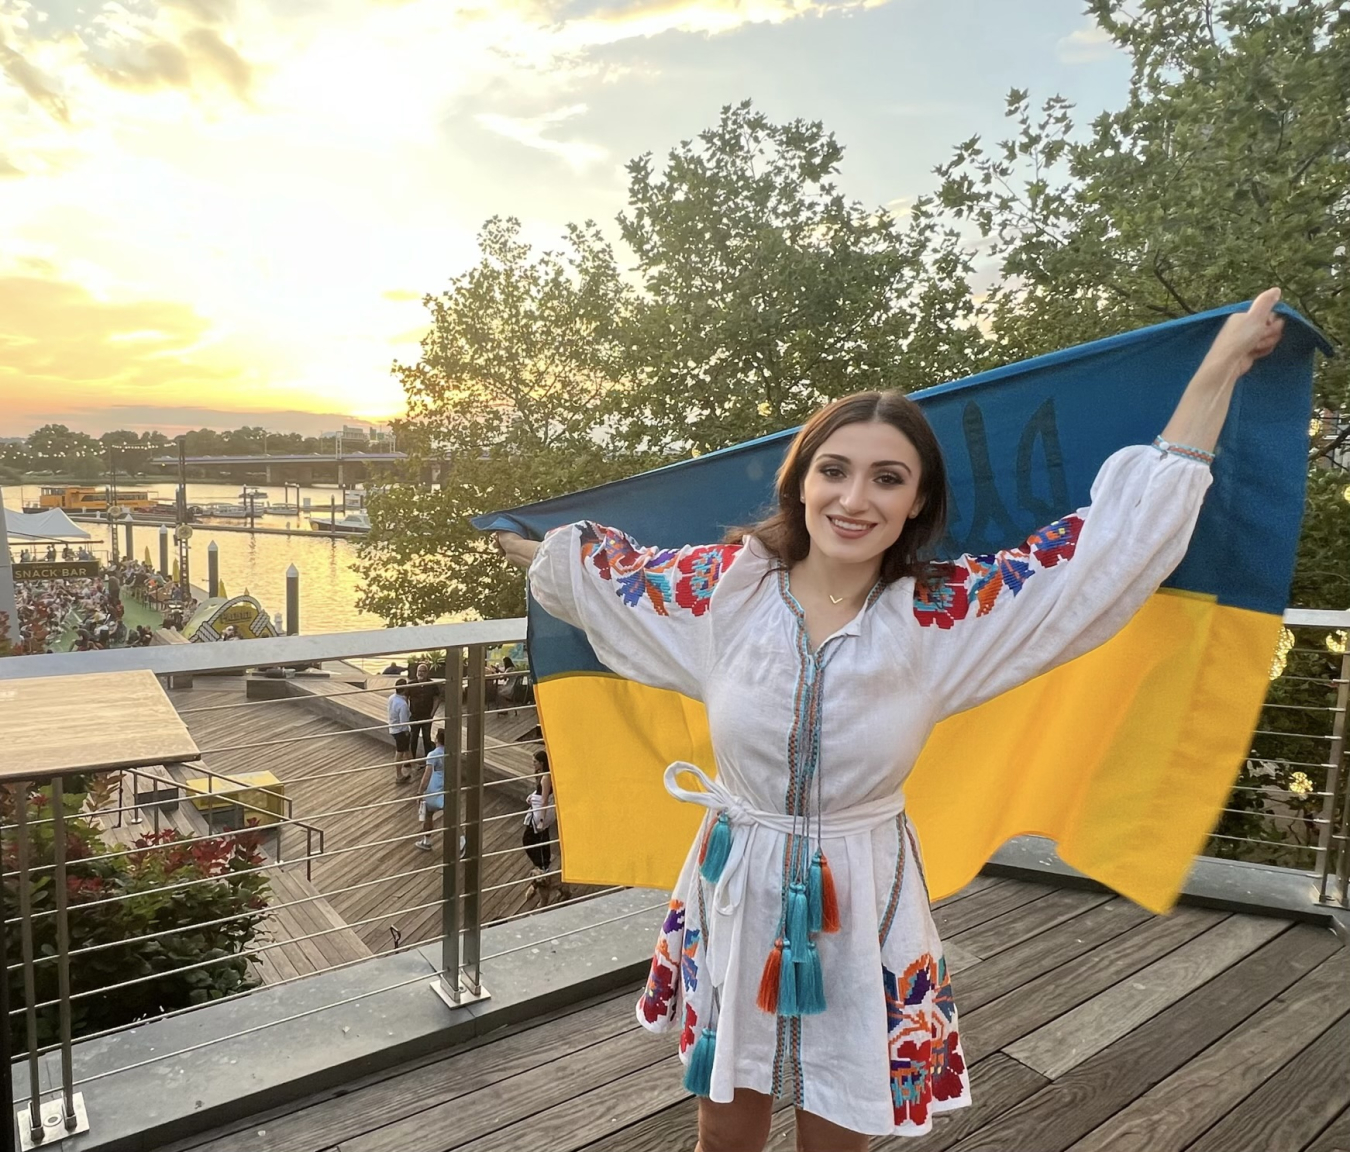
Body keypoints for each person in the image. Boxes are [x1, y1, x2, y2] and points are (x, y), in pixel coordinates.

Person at [495, 291, 1287, 1151]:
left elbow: (1107, 552)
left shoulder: (943, 618)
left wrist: (1220, 367)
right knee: (724, 1126)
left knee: (841, 1129)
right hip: (738, 879)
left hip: (862, 893)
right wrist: (527, 547)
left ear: (917, 503)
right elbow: (607, 577)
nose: (854, 498)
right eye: (834, 469)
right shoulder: (725, 591)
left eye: (887, 478)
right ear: (799, 481)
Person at [415, 727, 446, 850]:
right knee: (453, 816)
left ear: (437, 739)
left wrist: (420, 791)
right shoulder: (451, 752)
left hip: (434, 788)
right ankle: (461, 842)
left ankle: (426, 841)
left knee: (428, 814)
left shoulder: (433, 755)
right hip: (447, 786)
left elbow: (427, 775)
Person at [405, 661, 439, 764]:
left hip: (426, 716)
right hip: (414, 715)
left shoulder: (432, 685)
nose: (421, 673)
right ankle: (411, 760)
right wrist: (407, 711)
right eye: (419, 671)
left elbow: (437, 699)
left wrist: (432, 714)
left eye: (423, 671)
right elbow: (405, 697)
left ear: (427, 672)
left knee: (427, 738)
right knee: (413, 738)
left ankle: (428, 760)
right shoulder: (411, 684)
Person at [387, 677, 413, 782]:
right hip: (400, 731)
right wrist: (407, 732)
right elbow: (404, 722)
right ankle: (399, 775)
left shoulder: (391, 698)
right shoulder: (402, 704)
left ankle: (413, 764)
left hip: (393, 727)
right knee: (400, 752)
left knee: (406, 748)